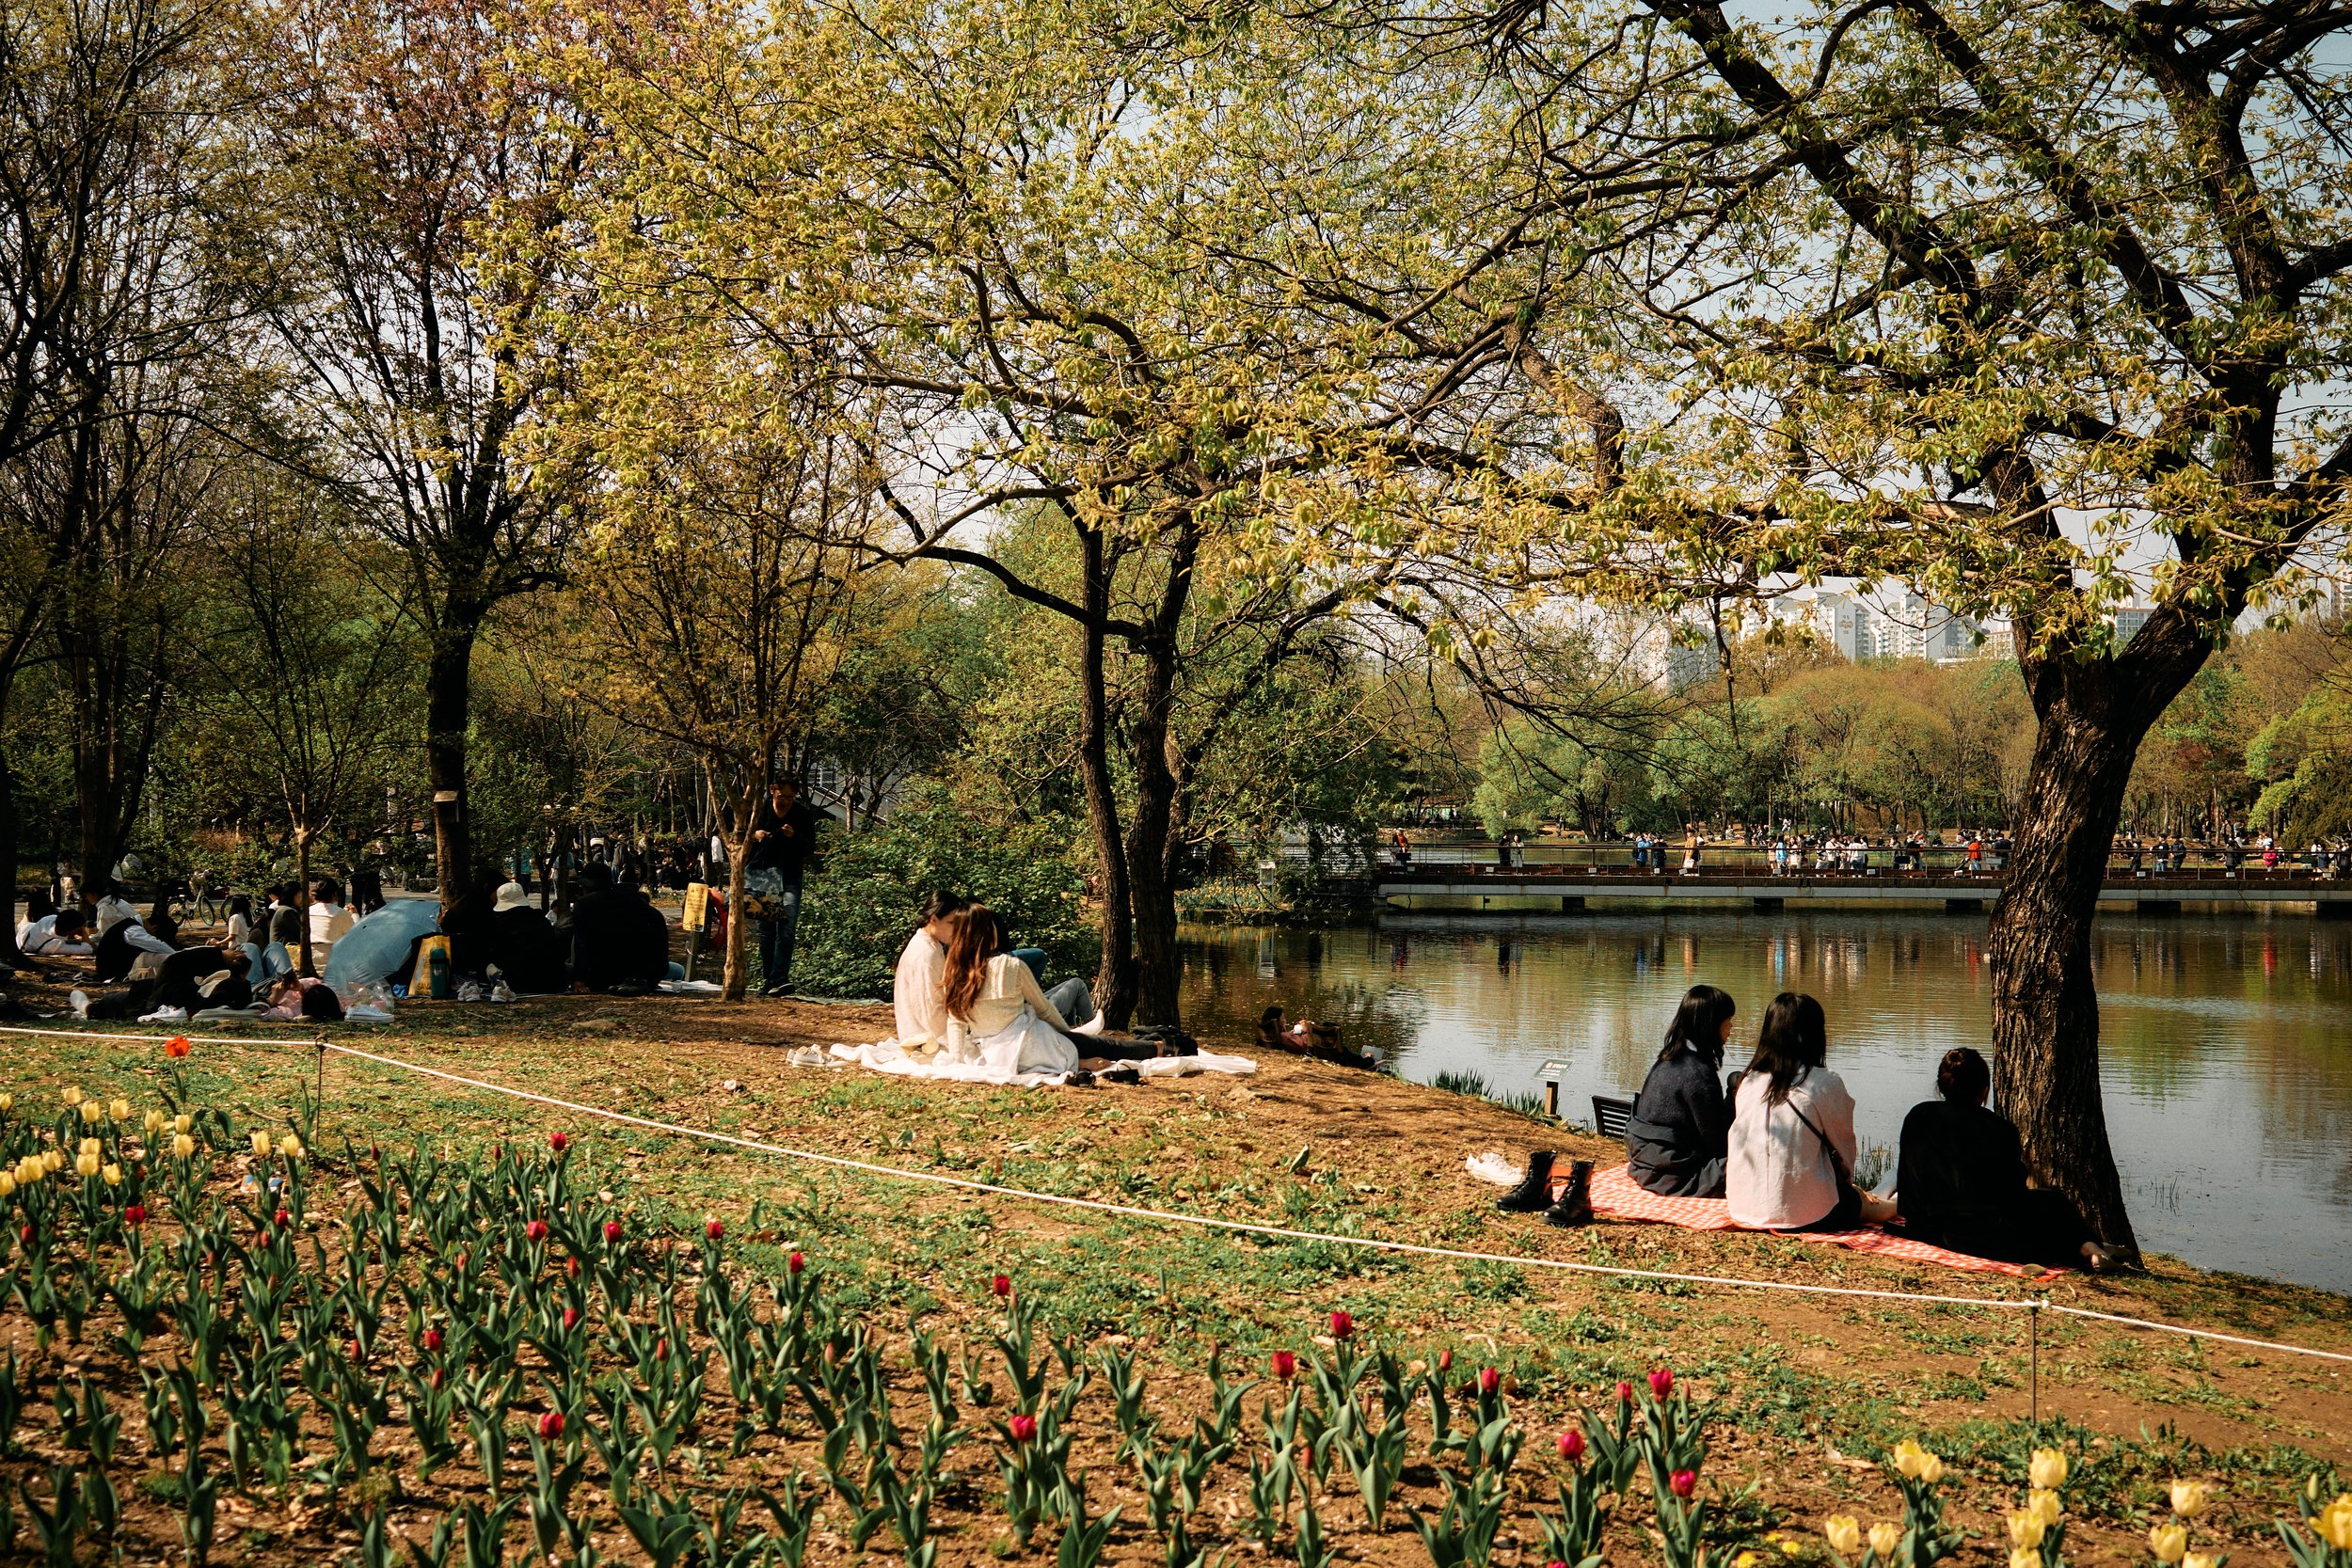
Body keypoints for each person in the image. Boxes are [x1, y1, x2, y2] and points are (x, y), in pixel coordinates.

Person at [1895, 1047, 2118, 1271]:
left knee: (2049, 1203)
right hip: (1987, 1238)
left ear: (1941, 1085)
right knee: (2054, 1201)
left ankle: (2089, 1246)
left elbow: (1909, 1185)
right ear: (1984, 1090)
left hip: (1930, 1230)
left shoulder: (1918, 1116)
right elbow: (2015, 1197)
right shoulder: (2000, 1129)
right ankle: (2091, 1248)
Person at [1726, 992, 1899, 1231]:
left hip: (1743, 1206)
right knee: (1877, 1208)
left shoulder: (1750, 1080)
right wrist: (1848, 1184)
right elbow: (1845, 1149)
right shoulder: (1824, 1082)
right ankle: (1896, 1193)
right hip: (1804, 1215)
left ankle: (1889, 1182)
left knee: (1860, 1197)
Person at [939, 902, 1082, 1077]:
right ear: (987, 931)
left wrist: (957, 1061)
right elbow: (1043, 1009)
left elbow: (956, 1023)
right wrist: (1070, 1036)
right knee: (1103, 1045)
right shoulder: (1011, 966)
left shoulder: (953, 973)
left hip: (991, 1055)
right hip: (1031, 1048)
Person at [1626, 984, 1738, 1198]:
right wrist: (1734, 1100)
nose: (1731, 1026)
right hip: (1675, 1173)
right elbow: (1718, 1143)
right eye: (1728, 1020)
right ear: (1711, 1023)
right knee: (1756, 1162)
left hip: (1644, 1163)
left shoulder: (1667, 1058)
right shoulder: (1698, 1073)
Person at [746, 778, 818, 997]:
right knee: (766, 931)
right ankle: (769, 980)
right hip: (763, 876)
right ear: (772, 790)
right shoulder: (759, 811)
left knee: (787, 926)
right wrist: (755, 834)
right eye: (782, 796)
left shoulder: (802, 814)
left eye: (790, 797)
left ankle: (780, 978)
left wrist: (794, 836)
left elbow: (810, 847)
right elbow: (738, 835)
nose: (786, 801)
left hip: (790, 876)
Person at [893, 892, 965, 1045]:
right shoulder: (926, 953)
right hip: (925, 1039)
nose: (957, 930)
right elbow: (931, 1010)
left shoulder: (929, 944)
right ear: (933, 919)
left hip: (923, 1034)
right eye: (951, 923)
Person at [489, 880, 570, 994]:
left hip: (518, 984)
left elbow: (498, 958)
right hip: (552, 981)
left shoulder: (502, 925)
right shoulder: (542, 920)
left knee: (490, 968)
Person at [91, 912, 177, 983]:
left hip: (119, 971)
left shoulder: (130, 926)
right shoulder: (132, 930)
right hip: (112, 975)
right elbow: (157, 946)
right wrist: (178, 956)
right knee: (151, 956)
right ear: (155, 929)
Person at [17, 907, 93, 957]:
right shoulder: (54, 945)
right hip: (26, 938)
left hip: (26, 931)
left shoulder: (51, 918)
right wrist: (83, 932)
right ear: (69, 931)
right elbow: (88, 949)